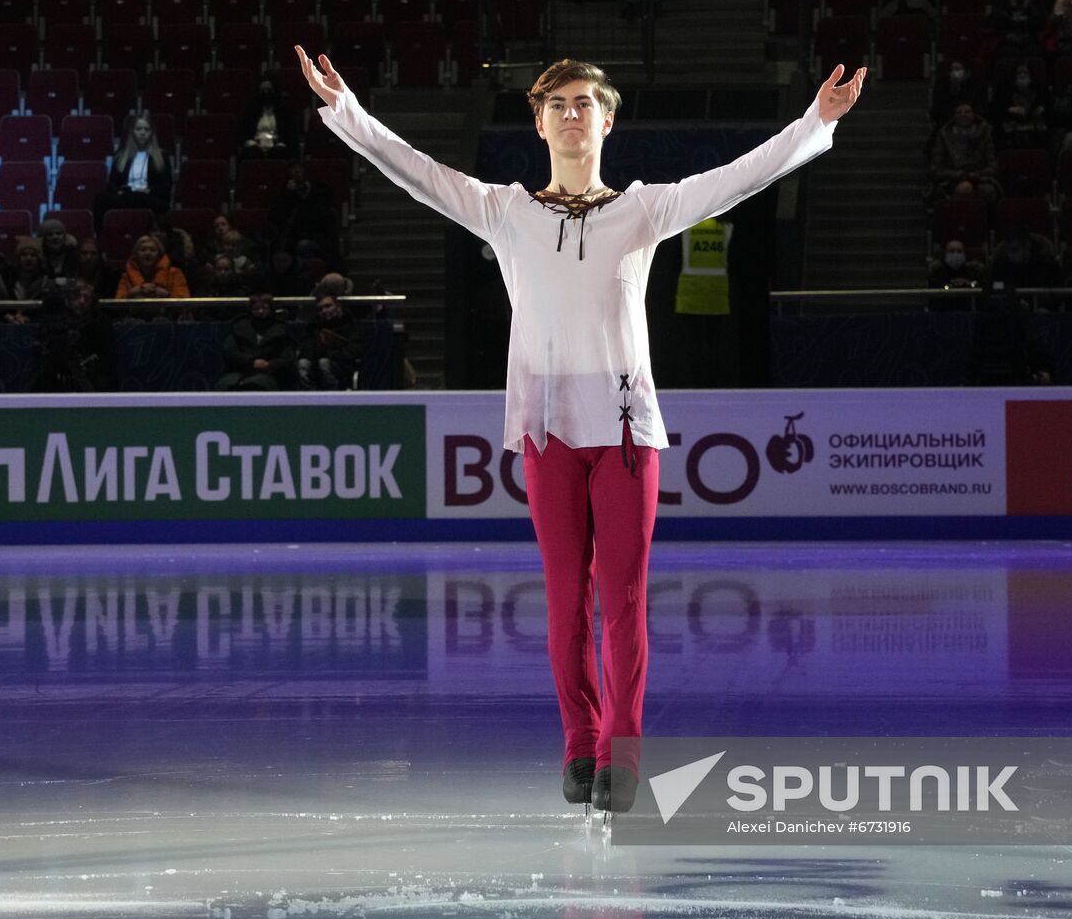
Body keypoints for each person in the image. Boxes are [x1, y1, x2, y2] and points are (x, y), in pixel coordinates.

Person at [298, 44, 863, 812]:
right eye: (557, 104)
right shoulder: (506, 211)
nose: (571, 114)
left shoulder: (644, 208)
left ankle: (620, 752)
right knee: (566, 600)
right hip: (548, 431)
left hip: (627, 432)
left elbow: (741, 175)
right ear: (537, 123)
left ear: (607, 121)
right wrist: (347, 111)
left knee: (622, 600)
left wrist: (812, 124)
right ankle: (578, 745)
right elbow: (415, 170)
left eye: (584, 103)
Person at [92, 111, 172, 230]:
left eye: (147, 129)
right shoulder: (120, 157)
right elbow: (112, 186)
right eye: (139, 129)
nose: (142, 133)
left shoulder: (162, 157)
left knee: (139, 198)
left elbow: (165, 187)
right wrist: (122, 191)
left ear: (151, 133)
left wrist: (148, 190)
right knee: (100, 199)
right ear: (132, 132)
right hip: (126, 196)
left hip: (149, 197)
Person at [216, 291, 296, 390]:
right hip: (240, 370)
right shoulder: (239, 327)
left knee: (256, 385)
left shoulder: (281, 330)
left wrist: (269, 365)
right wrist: (250, 362)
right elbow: (230, 352)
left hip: (270, 373)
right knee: (224, 385)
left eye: (265, 308)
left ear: (271, 309)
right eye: (256, 309)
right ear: (250, 310)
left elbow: (288, 358)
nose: (260, 311)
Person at [931, 100, 999, 200]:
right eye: (959, 112)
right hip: (954, 178)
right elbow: (938, 167)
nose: (963, 115)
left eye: (967, 112)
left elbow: (992, 163)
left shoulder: (985, 133)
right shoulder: (944, 136)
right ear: (953, 116)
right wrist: (958, 174)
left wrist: (979, 174)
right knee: (964, 189)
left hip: (981, 176)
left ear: (973, 115)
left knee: (987, 190)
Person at [297, 292, 360, 390]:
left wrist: (329, 352)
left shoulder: (351, 325)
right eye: (320, 308)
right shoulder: (313, 327)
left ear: (337, 306)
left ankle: (333, 398)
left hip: (342, 367)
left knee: (324, 363)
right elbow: (306, 350)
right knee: (303, 363)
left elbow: (353, 353)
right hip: (315, 364)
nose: (324, 311)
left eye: (328, 306)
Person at [237, 77, 301, 161]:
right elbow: (242, 134)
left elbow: (291, 135)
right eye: (263, 90)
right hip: (255, 147)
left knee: (279, 153)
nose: (266, 92)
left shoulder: (284, 112)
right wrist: (249, 142)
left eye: (269, 90)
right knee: (251, 152)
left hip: (277, 146)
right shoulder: (250, 112)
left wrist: (282, 143)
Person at [115, 234, 191, 302]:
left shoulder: (175, 273)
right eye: (143, 250)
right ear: (136, 255)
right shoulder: (126, 276)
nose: (148, 253)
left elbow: (184, 304)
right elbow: (117, 306)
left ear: (159, 255)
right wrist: (133, 293)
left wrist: (166, 294)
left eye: (152, 250)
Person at [38, 217, 80, 282]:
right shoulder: (38, 257)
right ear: (43, 239)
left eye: (59, 233)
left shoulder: (73, 254)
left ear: (64, 236)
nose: (55, 237)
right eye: (50, 234)